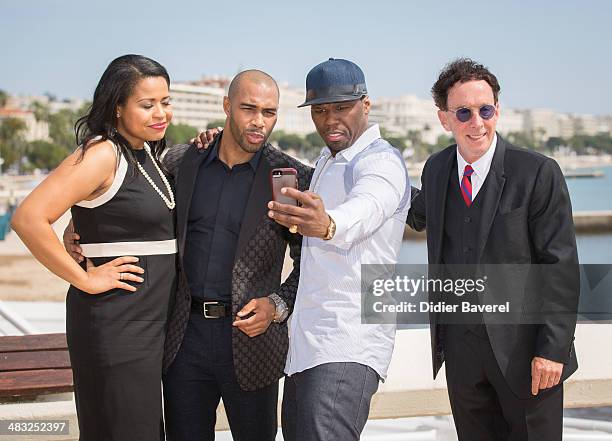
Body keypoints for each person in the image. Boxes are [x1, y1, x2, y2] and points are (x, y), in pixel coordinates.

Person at [407, 58, 579, 440]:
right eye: (463, 112)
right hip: (461, 355)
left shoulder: (537, 172)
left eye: (485, 110)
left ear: (497, 111)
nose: (477, 122)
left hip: (528, 357)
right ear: (444, 118)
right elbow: (413, 211)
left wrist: (553, 349)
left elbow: (560, 266)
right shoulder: (435, 170)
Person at [12, 54, 176, 441]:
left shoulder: (146, 152)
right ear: (117, 107)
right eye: (147, 104)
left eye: (165, 102)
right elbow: (28, 218)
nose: (161, 113)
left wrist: (78, 222)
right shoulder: (104, 152)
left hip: (146, 326)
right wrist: (86, 279)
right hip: (117, 325)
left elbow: (111, 212)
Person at [160, 70, 310, 441]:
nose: (260, 121)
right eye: (248, 109)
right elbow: (134, 201)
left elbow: (312, 262)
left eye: (269, 112)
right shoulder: (182, 162)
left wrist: (277, 305)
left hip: (253, 341)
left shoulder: (290, 178)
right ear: (226, 106)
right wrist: (78, 227)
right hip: (184, 339)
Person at [267, 58, 411, 441]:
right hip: (307, 345)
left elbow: (368, 206)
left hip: (348, 341)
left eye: (341, 107)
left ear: (365, 105)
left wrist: (329, 224)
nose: (330, 119)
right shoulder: (327, 162)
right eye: (320, 110)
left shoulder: (380, 160)